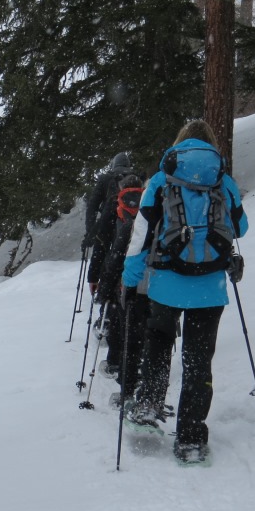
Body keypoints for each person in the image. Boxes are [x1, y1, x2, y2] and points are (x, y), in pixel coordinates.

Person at [121, 120, 248, 465]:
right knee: (198, 361)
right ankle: (191, 438)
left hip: (167, 283)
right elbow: (241, 226)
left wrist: (130, 283)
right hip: (210, 287)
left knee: (160, 342)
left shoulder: (162, 179)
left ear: (179, 144)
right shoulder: (222, 179)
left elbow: (140, 237)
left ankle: (147, 407)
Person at [93, 173, 145, 405]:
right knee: (138, 330)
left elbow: (107, 246)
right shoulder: (150, 206)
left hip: (121, 277)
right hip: (148, 279)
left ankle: (118, 366)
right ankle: (135, 372)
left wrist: (101, 285)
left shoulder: (117, 207)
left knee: (117, 319)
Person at [83, 151, 137, 375]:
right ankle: (131, 344)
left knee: (110, 281)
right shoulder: (137, 181)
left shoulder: (105, 180)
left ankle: (106, 321)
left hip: (112, 238)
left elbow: (93, 207)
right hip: (133, 244)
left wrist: (90, 232)